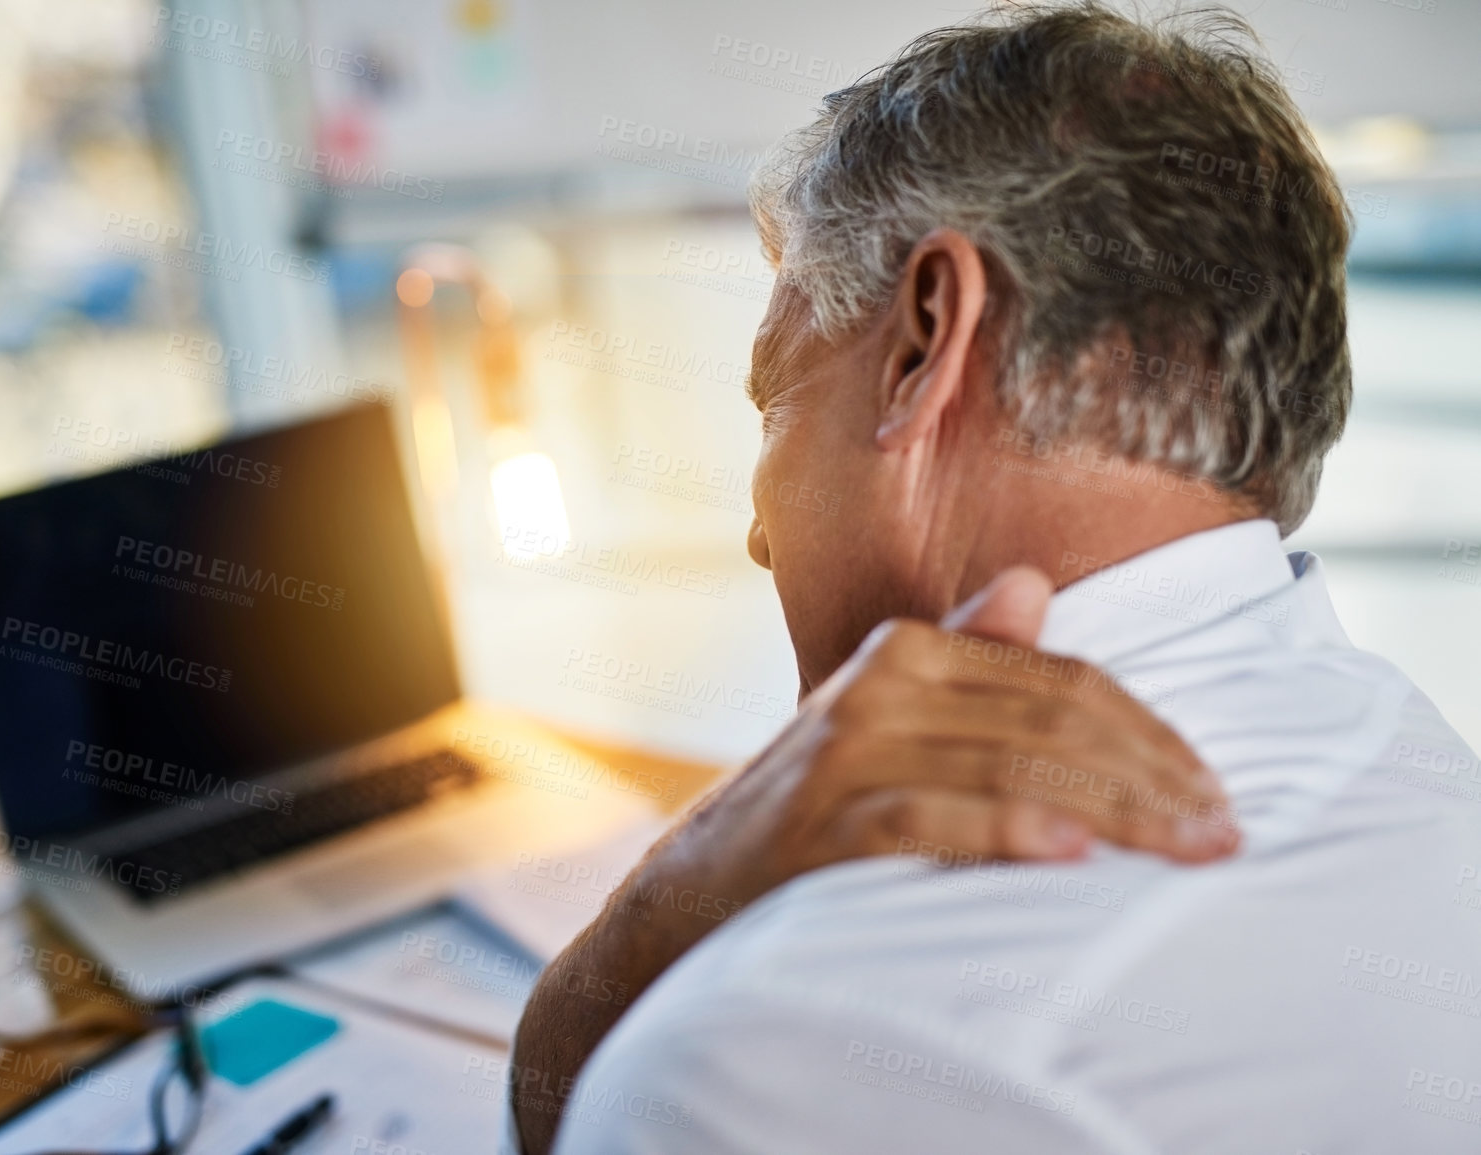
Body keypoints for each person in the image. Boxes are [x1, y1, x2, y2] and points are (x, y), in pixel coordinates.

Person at [512, 3, 1481, 1152]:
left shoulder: (770, 1053)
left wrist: (682, 890)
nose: (760, 539)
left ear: (927, 342)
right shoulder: (1413, 758)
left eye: (776, 398)